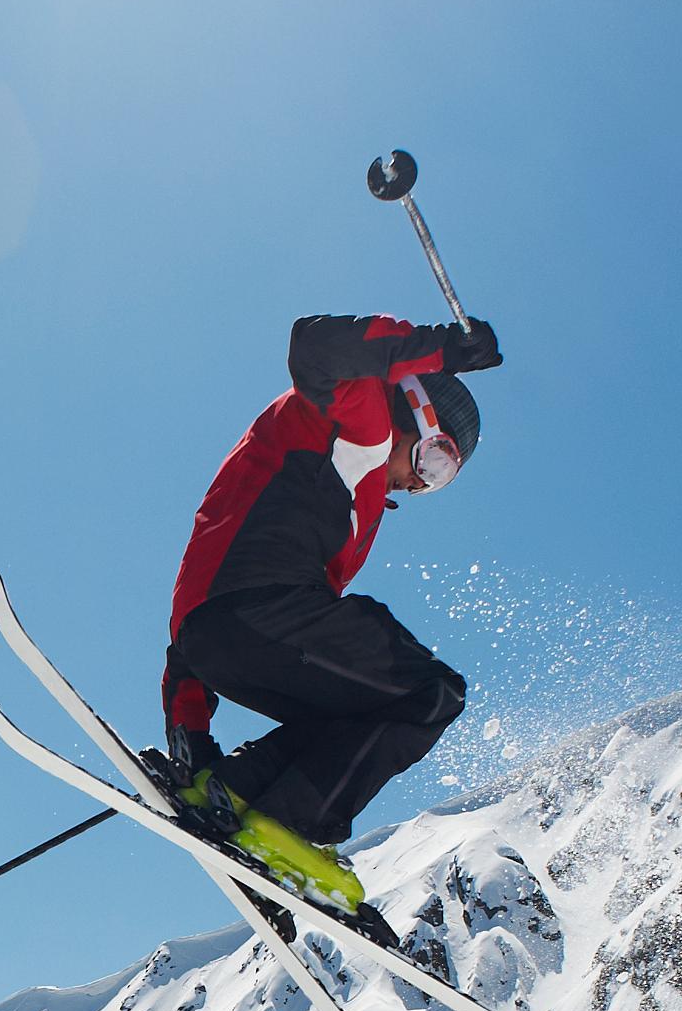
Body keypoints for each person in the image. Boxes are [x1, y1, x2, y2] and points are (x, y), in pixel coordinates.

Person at [161, 311, 502, 913]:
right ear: (418, 416)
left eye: (441, 483)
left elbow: (195, 613)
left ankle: (237, 793)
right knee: (431, 694)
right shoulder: (360, 422)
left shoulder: (342, 497)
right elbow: (314, 343)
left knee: (356, 709)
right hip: (261, 609)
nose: (421, 488)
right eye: (436, 463)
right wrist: (439, 348)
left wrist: (191, 730)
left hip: (226, 633)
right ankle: (285, 827)